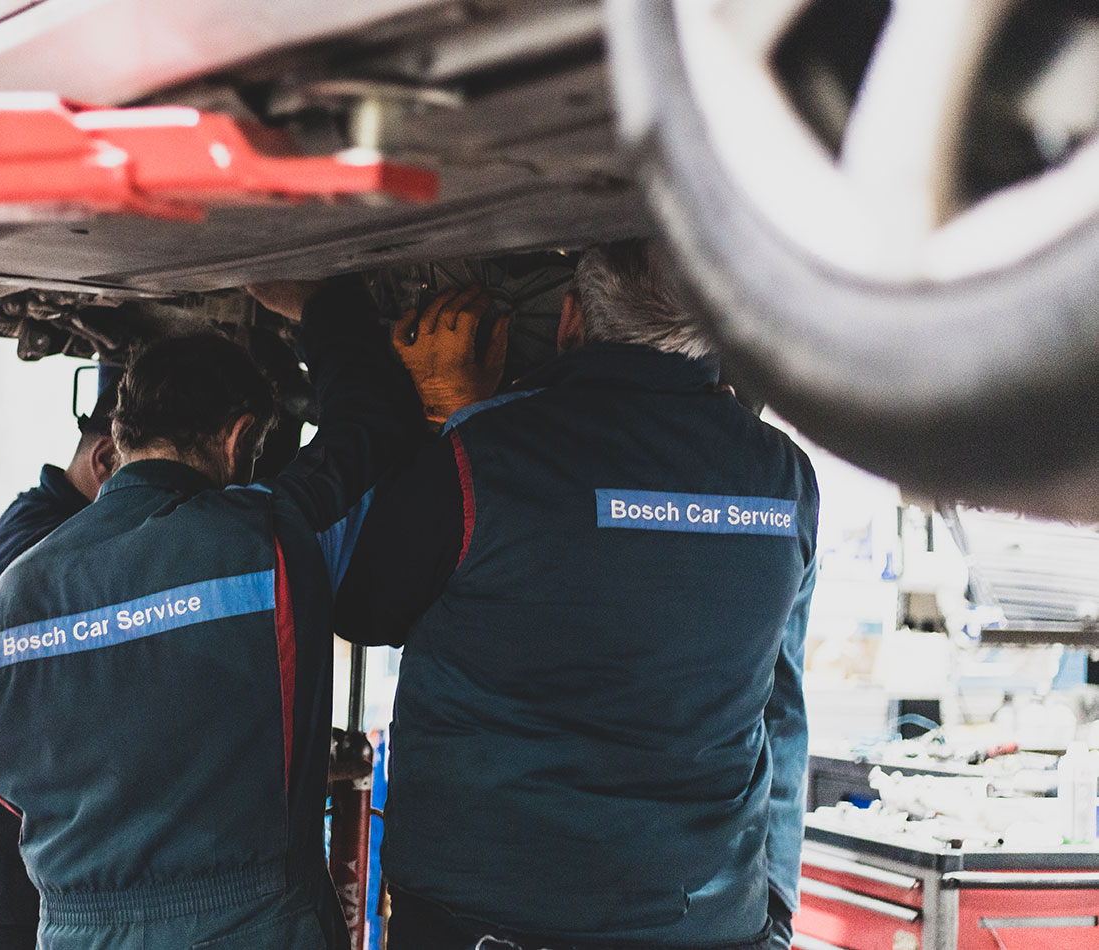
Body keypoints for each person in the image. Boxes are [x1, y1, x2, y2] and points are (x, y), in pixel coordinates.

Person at [336, 241, 819, 950]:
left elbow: (363, 607)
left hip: (484, 918)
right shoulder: (786, 481)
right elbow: (784, 698)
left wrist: (449, 421)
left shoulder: (482, 459)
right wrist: (774, 901)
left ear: (570, 322)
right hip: (708, 921)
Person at [0, 276, 420, 950]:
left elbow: (0, 783)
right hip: (250, 926)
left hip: (73, 931)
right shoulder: (265, 536)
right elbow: (374, 421)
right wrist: (324, 302)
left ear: (119, 435)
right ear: (237, 440)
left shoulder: (8, 601)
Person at [0, 378, 119, 948]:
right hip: (27, 895)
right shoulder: (50, 556)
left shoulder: (34, 526)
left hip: (19, 885)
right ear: (105, 459)